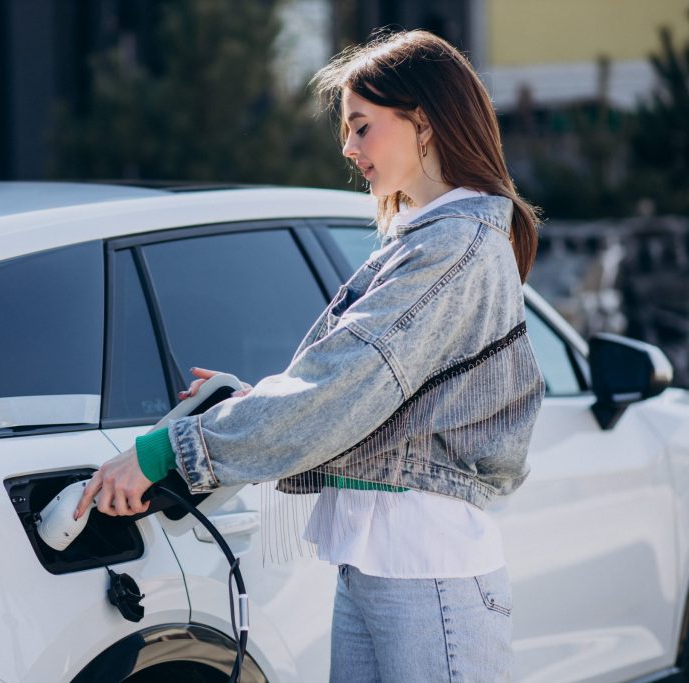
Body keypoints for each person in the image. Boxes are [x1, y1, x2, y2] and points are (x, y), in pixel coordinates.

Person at [74, 29, 545, 682]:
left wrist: (166, 451)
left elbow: (337, 390)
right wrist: (255, 401)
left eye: (361, 126)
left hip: (428, 574)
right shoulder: (427, 240)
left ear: (424, 124)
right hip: (382, 568)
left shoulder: (453, 247)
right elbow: (366, 395)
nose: (347, 147)